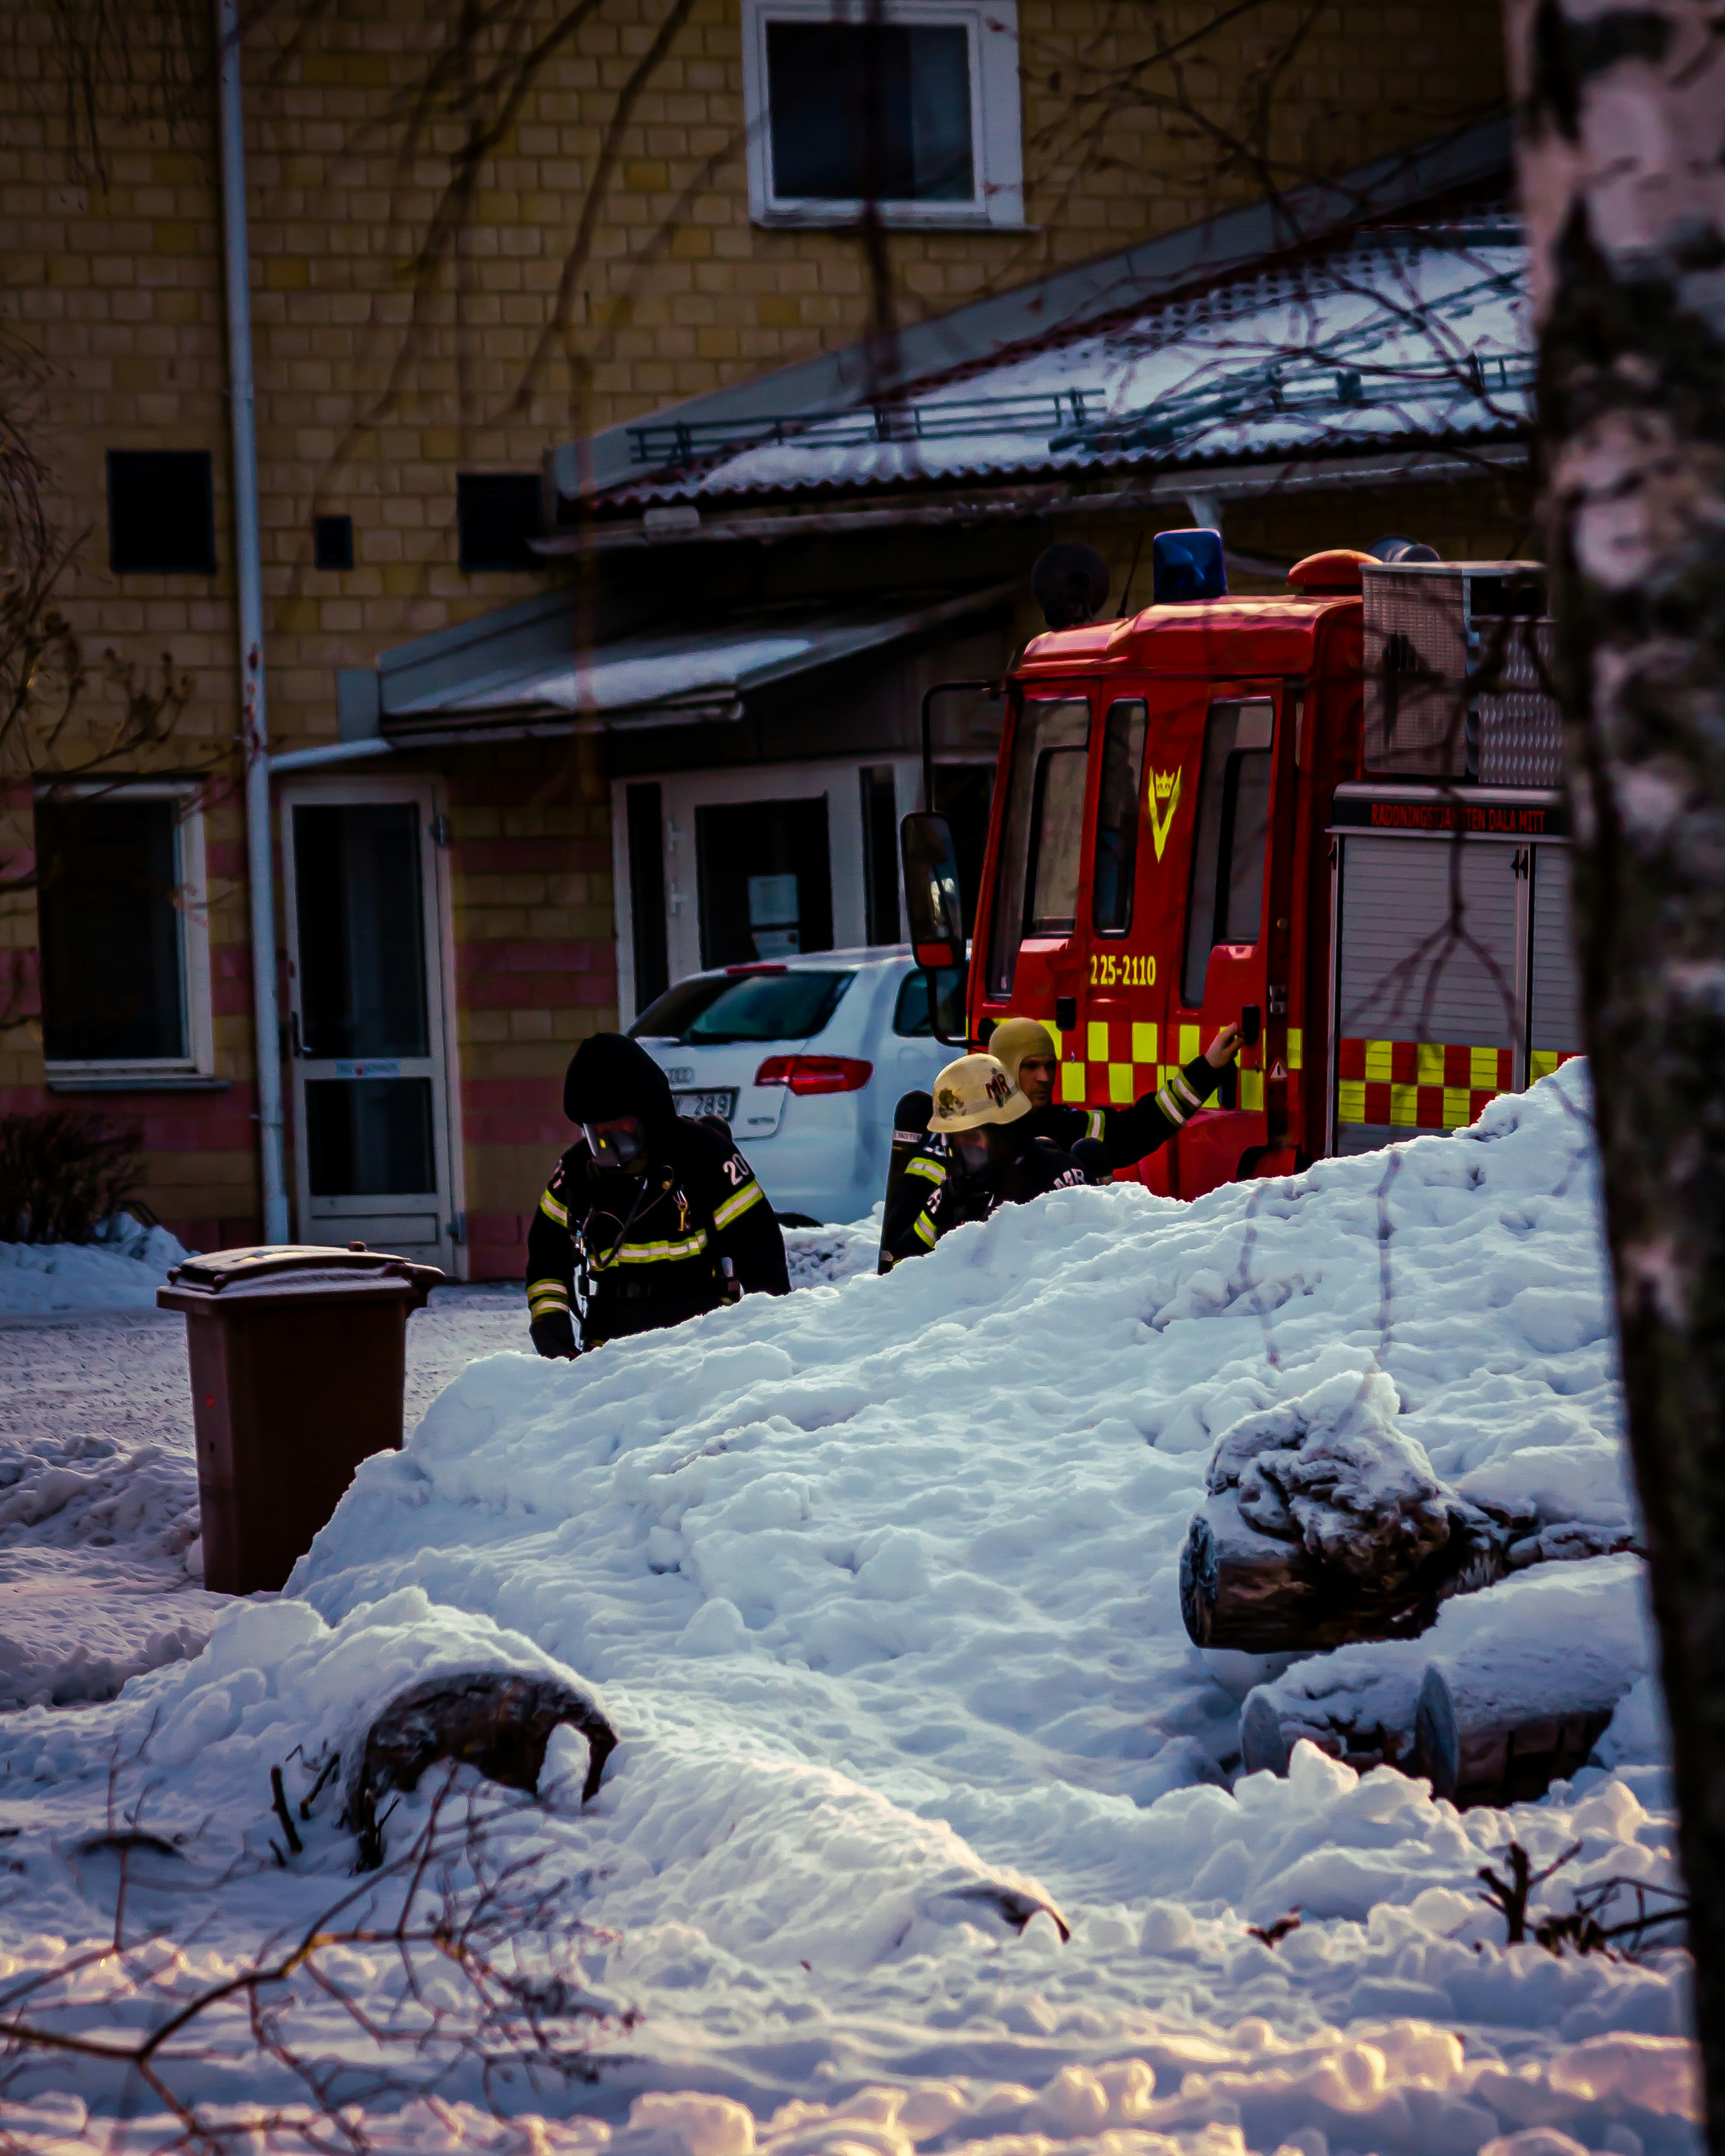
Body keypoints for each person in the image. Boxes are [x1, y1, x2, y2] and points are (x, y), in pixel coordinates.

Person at [525, 1033, 789, 1357]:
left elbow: (759, 1249)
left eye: (622, 1131)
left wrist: (771, 1338)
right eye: (598, 1135)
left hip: (698, 1341)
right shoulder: (575, 1170)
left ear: (650, 1117)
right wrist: (553, 1337)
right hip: (608, 1348)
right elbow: (545, 1259)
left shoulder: (705, 1154)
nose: (611, 1147)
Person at [879, 1052, 1086, 1269]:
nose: (962, 1149)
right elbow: (900, 1273)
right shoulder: (953, 1195)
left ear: (1006, 1131)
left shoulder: (1056, 1178)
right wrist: (944, 1209)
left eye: (972, 1138)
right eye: (955, 1139)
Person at [988, 1014, 1243, 1174]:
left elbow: (1140, 1127)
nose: (1044, 1078)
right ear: (1003, 1072)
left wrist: (1208, 1069)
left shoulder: (1067, 1127)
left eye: (1050, 1066)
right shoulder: (970, 1134)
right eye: (1030, 1067)